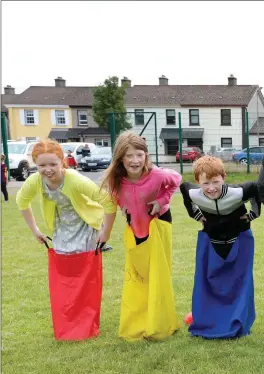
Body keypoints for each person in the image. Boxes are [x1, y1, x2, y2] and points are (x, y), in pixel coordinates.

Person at [101, 131, 182, 341]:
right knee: (141, 275)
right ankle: (142, 317)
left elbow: (176, 180)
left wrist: (162, 201)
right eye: (129, 155)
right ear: (120, 158)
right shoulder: (116, 181)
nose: (135, 160)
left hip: (159, 225)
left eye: (139, 154)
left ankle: (160, 320)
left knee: (159, 274)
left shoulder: (157, 174)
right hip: (136, 229)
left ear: (146, 156)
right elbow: (111, 204)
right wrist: (106, 232)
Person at [180, 155, 261, 339]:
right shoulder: (193, 192)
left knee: (239, 282)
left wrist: (252, 215)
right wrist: (196, 215)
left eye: (216, 181)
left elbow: (255, 189)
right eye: (205, 183)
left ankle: (237, 321)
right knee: (208, 282)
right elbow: (184, 190)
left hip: (239, 241)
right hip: (212, 241)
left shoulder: (238, 192)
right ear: (198, 182)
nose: (211, 188)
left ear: (223, 178)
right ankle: (208, 318)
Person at [16, 139, 116, 254]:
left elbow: (108, 201)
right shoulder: (35, 181)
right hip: (61, 226)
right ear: (35, 164)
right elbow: (22, 201)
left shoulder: (75, 180)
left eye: (53, 164)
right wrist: (35, 230)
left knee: (83, 263)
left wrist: (106, 232)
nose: (48, 169)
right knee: (63, 264)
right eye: (42, 165)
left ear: (62, 161)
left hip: (85, 225)